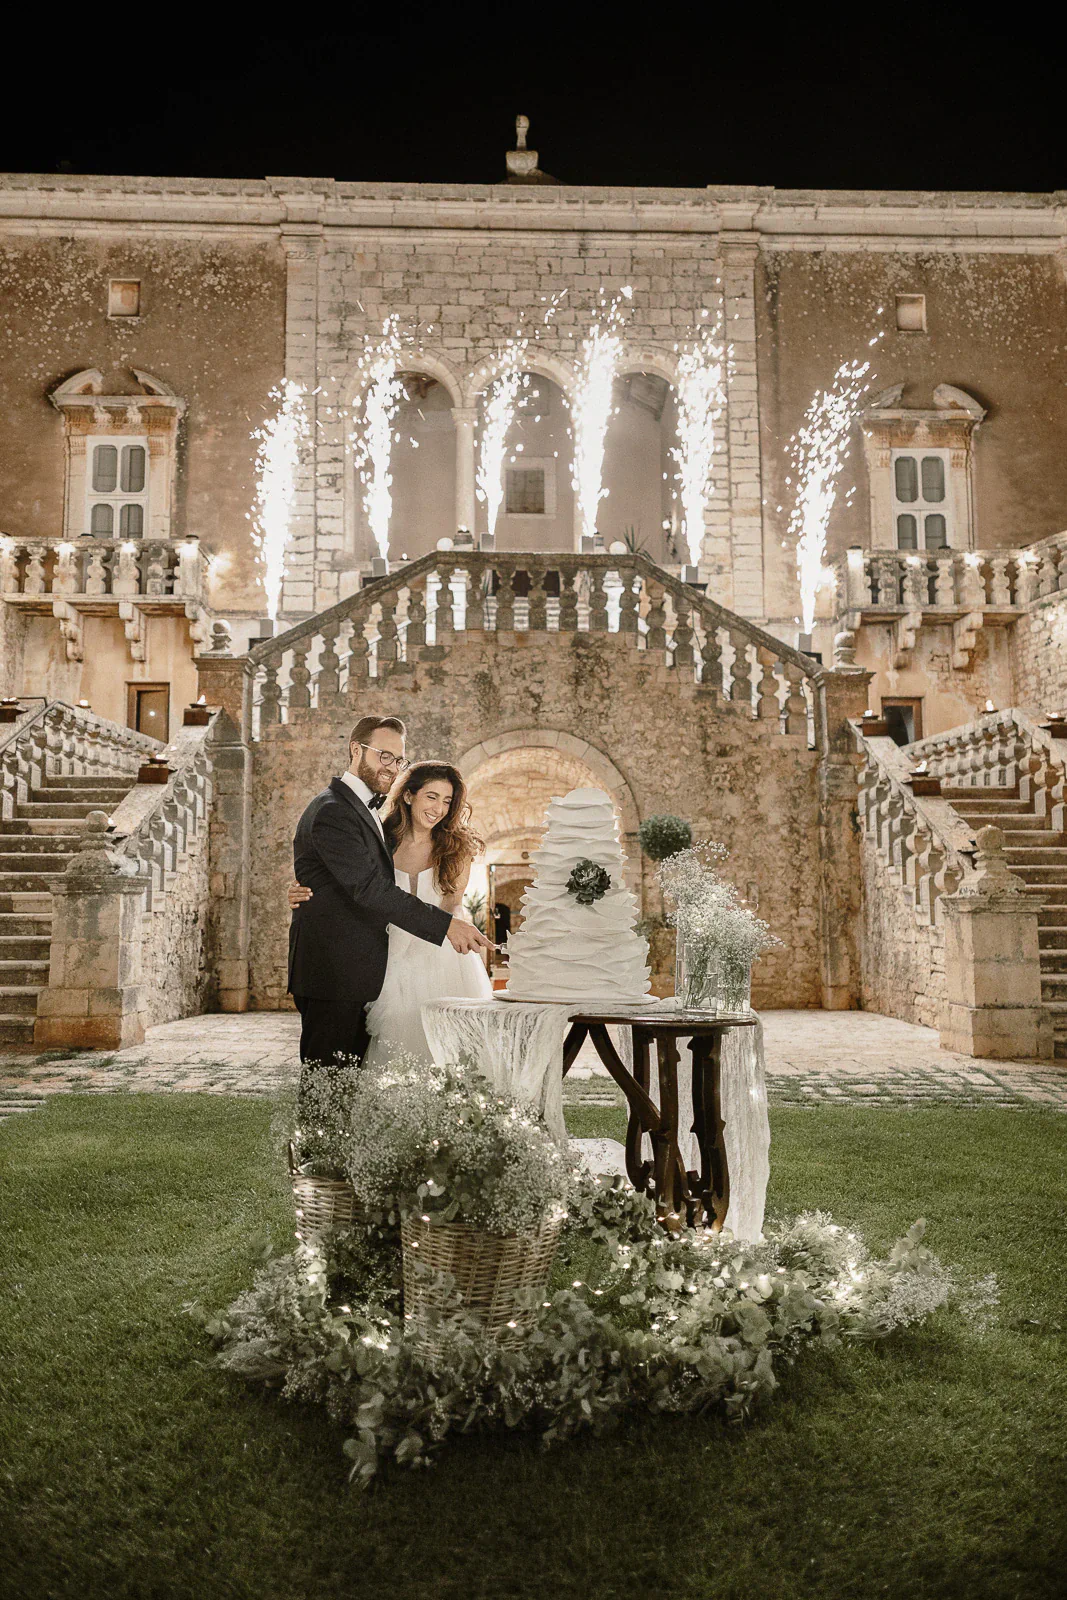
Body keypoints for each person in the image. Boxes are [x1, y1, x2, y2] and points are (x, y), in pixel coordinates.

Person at [287, 715, 492, 1075]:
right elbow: (369, 887)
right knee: (335, 1076)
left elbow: (350, 876)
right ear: (356, 750)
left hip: (379, 962)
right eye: (384, 755)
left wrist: (313, 885)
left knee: (354, 1075)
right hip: (346, 966)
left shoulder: (363, 813)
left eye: (398, 759)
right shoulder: (339, 811)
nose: (392, 766)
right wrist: (445, 926)